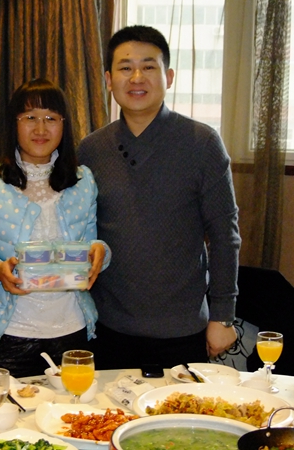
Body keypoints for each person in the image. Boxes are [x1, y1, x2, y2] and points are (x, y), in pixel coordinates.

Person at [77, 25, 240, 370]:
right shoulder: (91, 150)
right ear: (109, 80)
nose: (137, 77)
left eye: (148, 66)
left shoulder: (202, 143)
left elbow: (225, 235)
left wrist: (223, 316)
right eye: (125, 67)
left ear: (168, 76)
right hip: (107, 328)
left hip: (182, 330)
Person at [0, 78, 110, 378]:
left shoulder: (82, 181)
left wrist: (100, 252)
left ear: (64, 125)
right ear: (14, 124)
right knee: (4, 409)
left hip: (73, 331)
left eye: (51, 118)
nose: (41, 128)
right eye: (30, 117)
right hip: (9, 335)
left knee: (73, 408)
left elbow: (89, 244)